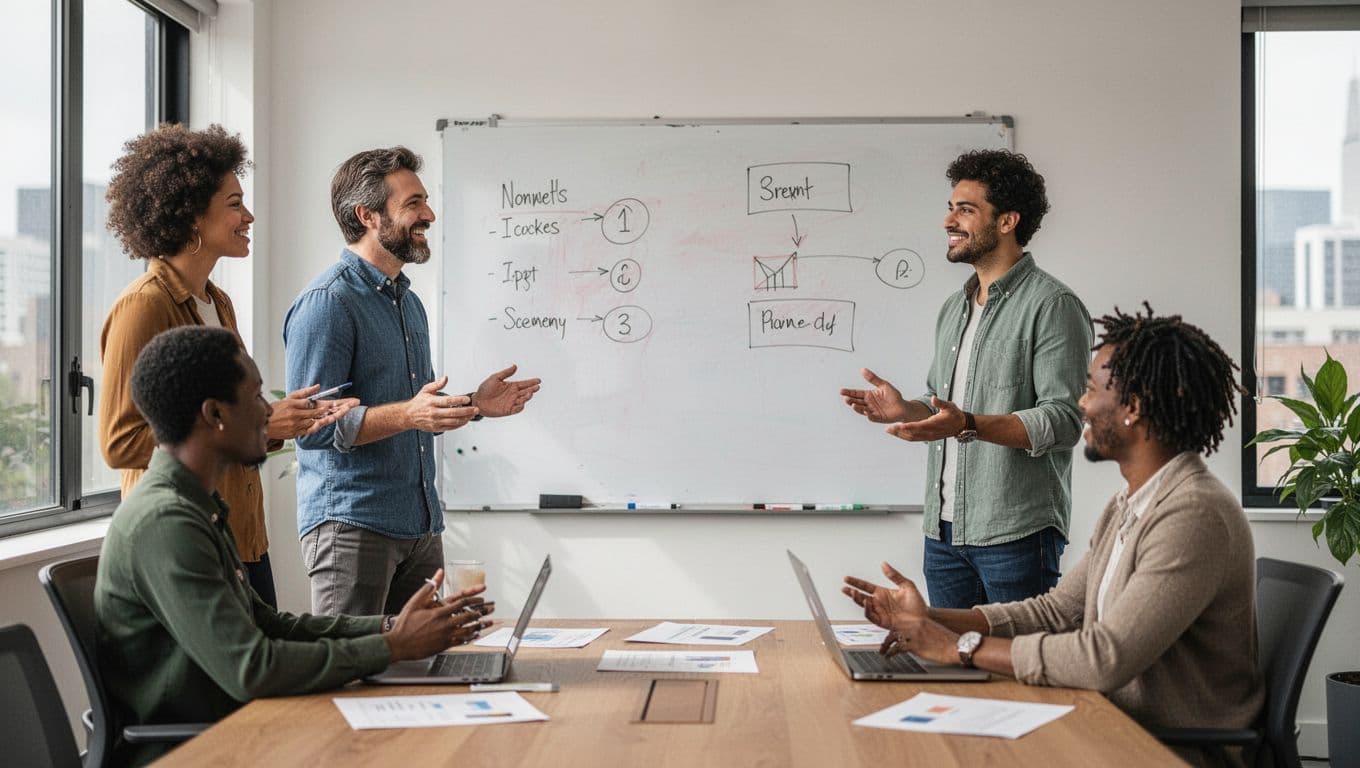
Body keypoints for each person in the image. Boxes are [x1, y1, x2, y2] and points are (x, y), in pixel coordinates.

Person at [842, 304, 1262, 768]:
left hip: (1165, 749)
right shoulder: (1131, 503)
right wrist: (929, 620)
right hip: (1110, 722)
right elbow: (1058, 611)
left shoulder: (1193, 515)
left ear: (1134, 409)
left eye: (1090, 390)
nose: (1081, 404)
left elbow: (1103, 658)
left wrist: (956, 648)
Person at [95, 326, 494, 768]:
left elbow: (268, 624)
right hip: (196, 750)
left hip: (240, 728)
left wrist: (388, 627)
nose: (269, 412)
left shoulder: (195, 504)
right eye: (255, 397)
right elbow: (253, 668)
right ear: (214, 414)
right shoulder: (166, 522)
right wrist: (392, 647)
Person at [99, 123, 357, 607]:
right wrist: (243, 426)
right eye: (234, 204)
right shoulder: (143, 306)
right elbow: (119, 441)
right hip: (185, 543)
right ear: (193, 214)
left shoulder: (218, 303)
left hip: (242, 538)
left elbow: (224, 420)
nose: (249, 215)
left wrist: (279, 424)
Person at [284, 146, 541, 616]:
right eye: (413, 204)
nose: (430, 214)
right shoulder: (328, 303)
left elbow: (411, 411)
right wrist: (409, 413)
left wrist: (474, 403)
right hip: (352, 527)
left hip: (419, 528)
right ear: (367, 216)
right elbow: (312, 427)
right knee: (350, 680)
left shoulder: (407, 302)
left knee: (422, 675)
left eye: (425, 201)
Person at [840, 149, 1092, 608]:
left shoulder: (1052, 306)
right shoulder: (953, 308)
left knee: (1018, 671)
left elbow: (1063, 422)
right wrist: (908, 410)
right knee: (950, 670)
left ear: (1007, 221)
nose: (948, 221)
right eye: (950, 207)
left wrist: (967, 425)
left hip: (1016, 534)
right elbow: (948, 411)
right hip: (943, 535)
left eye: (965, 209)